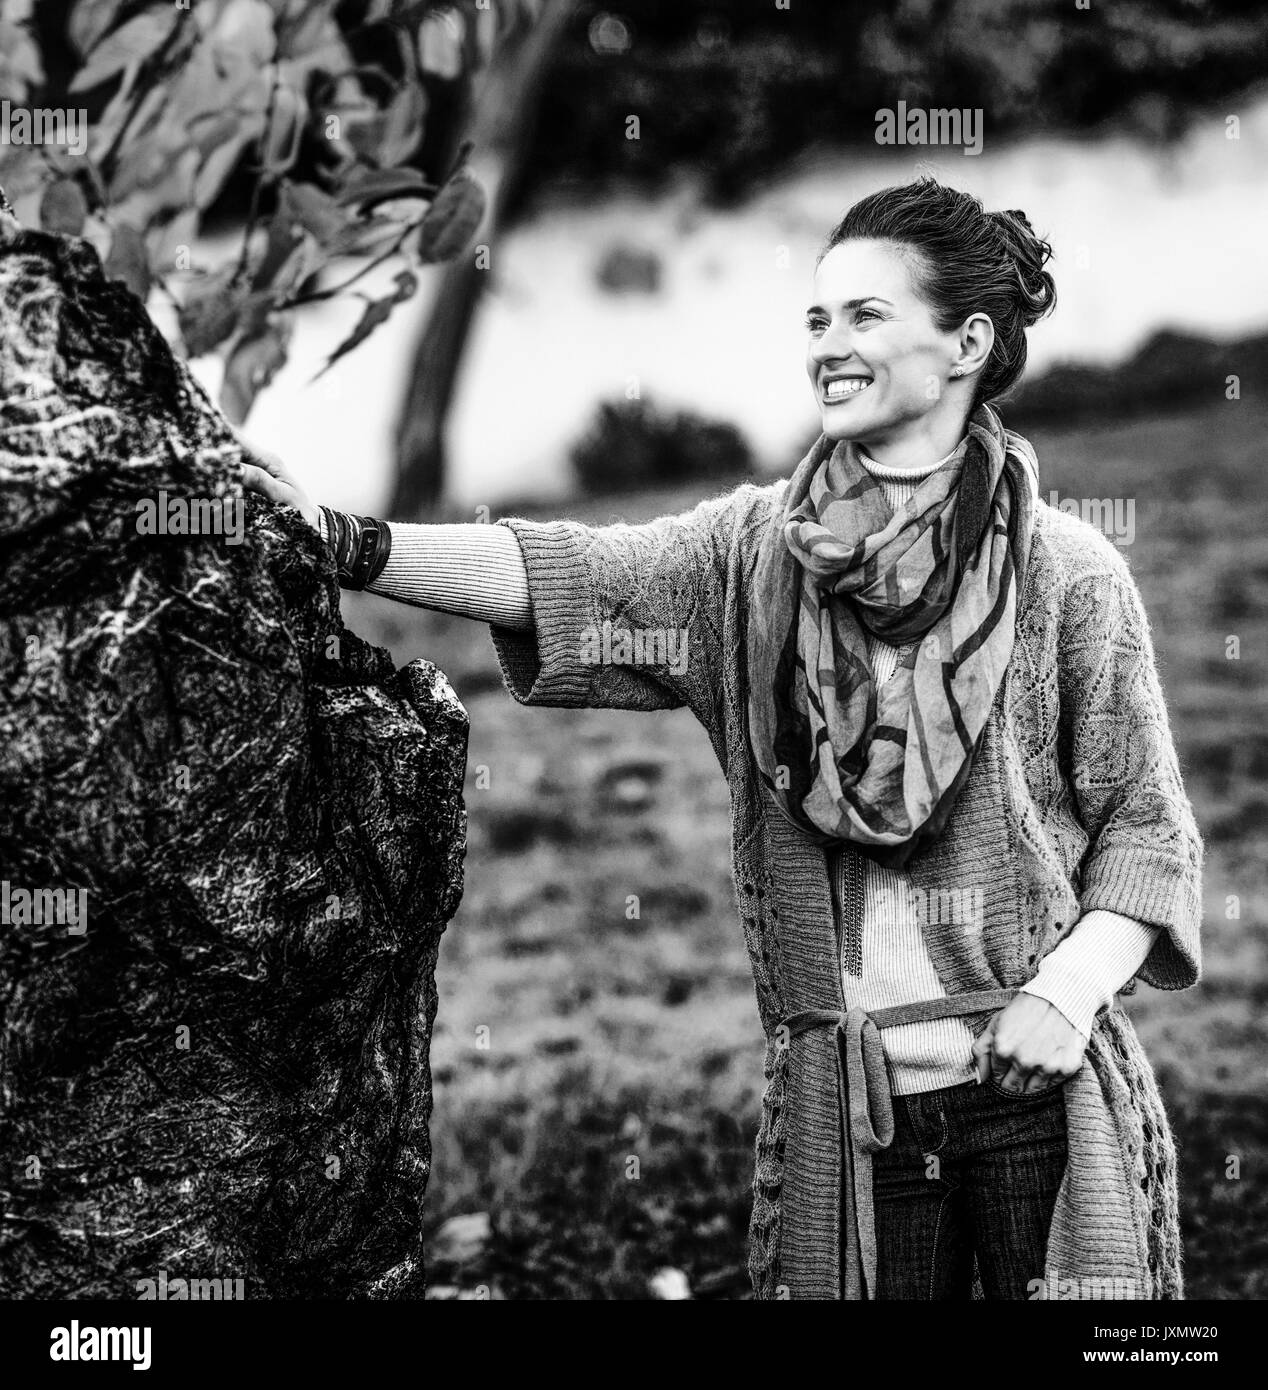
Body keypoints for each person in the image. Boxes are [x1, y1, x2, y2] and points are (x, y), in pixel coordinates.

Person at [242, 175, 1204, 1301]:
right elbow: (561, 572)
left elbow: (1145, 832)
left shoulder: (1066, 575)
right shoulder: (746, 560)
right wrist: (346, 541)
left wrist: (1066, 992)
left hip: (1036, 1098)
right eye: (815, 317)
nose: (826, 345)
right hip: (852, 1121)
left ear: (965, 343)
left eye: (865, 315)